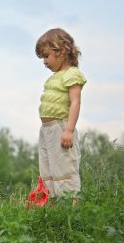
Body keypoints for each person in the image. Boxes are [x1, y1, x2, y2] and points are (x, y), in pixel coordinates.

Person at [35, 28, 87, 203]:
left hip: (61, 127)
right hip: (46, 130)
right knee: (48, 170)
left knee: (64, 168)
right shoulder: (54, 77)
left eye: (46, 56)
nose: (44, 61)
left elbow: (75, 102)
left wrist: (69, 130)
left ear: (62, 51)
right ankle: (53, 206)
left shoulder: (72, 74)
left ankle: (71, 208)